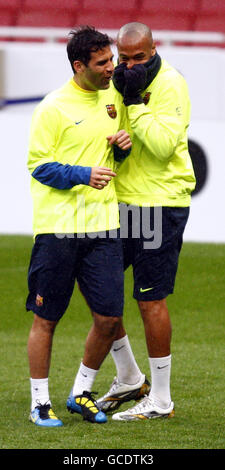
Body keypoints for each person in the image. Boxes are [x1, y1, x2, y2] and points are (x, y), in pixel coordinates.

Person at [26, 25, 138, 427]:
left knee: (108, 318)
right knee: (47, 318)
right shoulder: (52, 107)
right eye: (103, 62)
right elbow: (38, 166)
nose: (112, 68)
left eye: (111, 60)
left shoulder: (113, 97)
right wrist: (80, 173)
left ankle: (80, 392)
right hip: (58, 229)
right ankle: (40, 402)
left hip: (104, 227)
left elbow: (111, 156)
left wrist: (122, 151)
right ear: (79, 66)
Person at [97, 22, 196, 420]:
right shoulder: (118, 83)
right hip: (121, 200)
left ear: (154, 50)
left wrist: (135, 102)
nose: (131, 65)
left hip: (159, 202)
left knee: (150, 299)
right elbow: (117, 134)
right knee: (98, 288)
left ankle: (161, 398)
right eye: (125, 59)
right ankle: (128, 375)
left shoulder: (171, 83)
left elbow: (160, 146)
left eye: (140, 58)